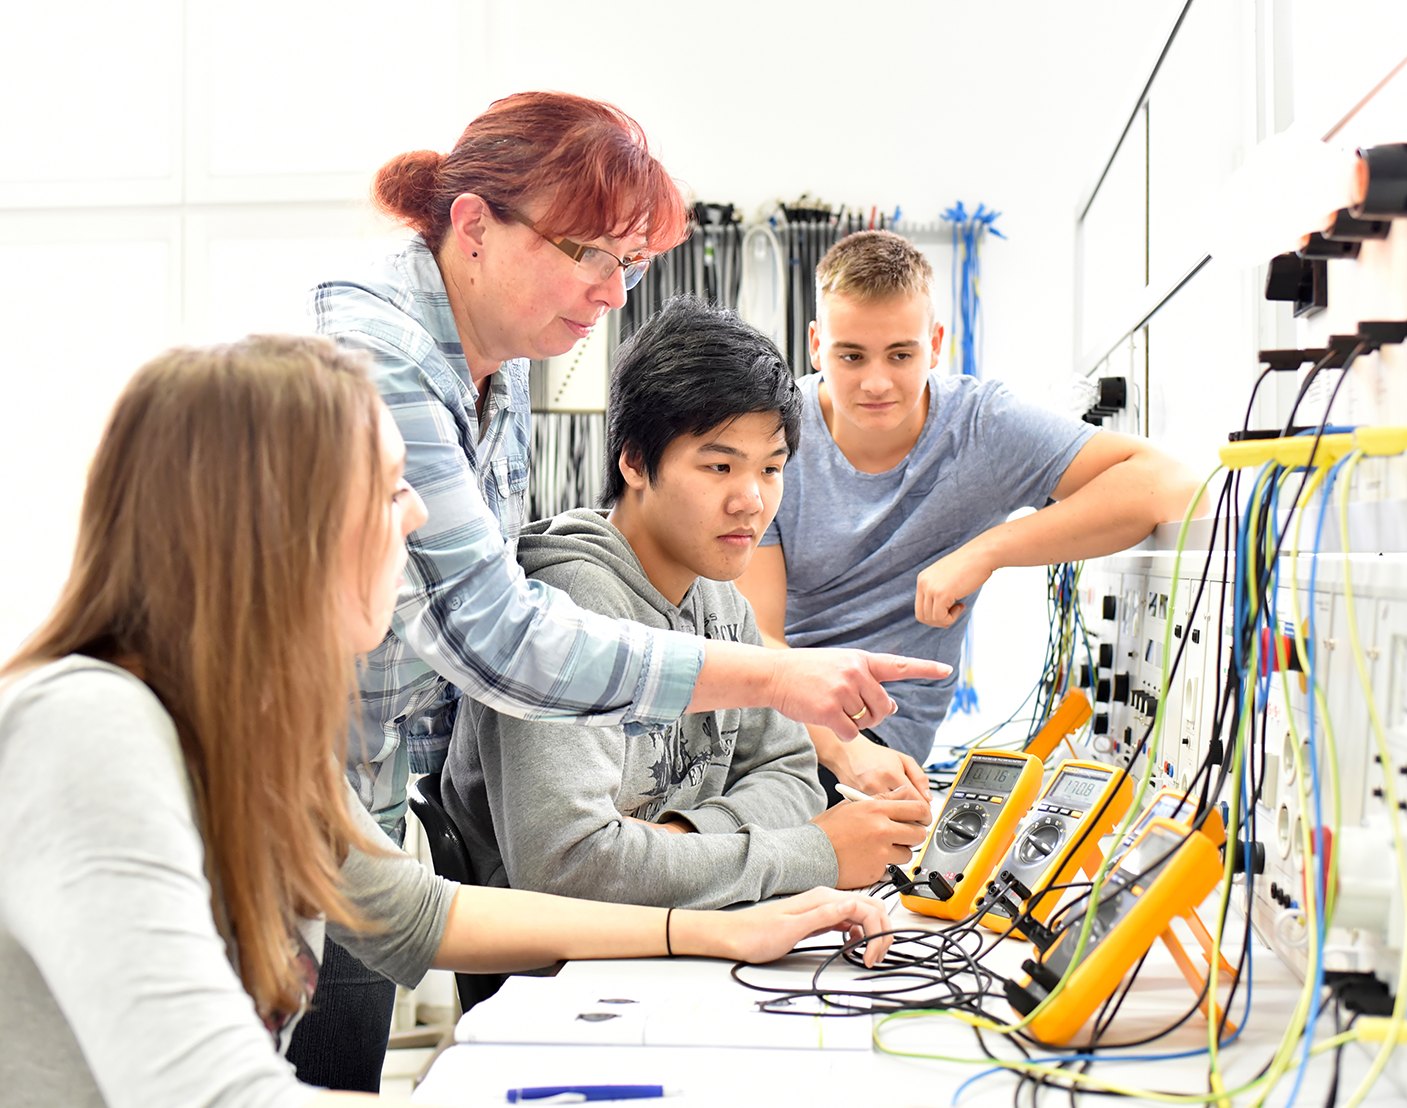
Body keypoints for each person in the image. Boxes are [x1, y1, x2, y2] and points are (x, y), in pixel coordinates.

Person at [0, 336, 895, 1108]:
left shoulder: (250, 732)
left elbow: (420, 914)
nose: (420, 514)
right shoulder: (90, 731)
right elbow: (221, 1095)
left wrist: (715, 928)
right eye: (391, 491)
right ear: (276, 524)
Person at [304, 93, 944, 1086]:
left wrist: (707, 859)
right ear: (473, 227)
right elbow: (497, 636)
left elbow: (420, 906)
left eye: (629, 264)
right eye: (588, 255)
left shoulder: (503, 360)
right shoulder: (379, 354)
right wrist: (789, 756)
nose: (612, 292)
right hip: (296, 801)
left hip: (364, 821)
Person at [442, 299, 932, 910]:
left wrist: (678, 840)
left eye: (772, 469)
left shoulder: (721, 597)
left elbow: (793, 775)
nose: (751, 501)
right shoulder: (566, 607)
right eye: (720, 465)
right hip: (569, 979)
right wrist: (815, 854)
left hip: (698, 933)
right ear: (634, 461)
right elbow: (569, 869)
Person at [737, 231, 1202, 804]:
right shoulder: (777, 437)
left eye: (901, 354)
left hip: (879, 743)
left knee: (752, 834)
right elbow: (758, 639)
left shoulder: (982, 427)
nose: (876, 381)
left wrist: (988, 550)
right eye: (851, 355)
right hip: (783, 717)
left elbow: (1168, 482)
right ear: (815, 344)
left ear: (935, 344)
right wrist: (841, 747)